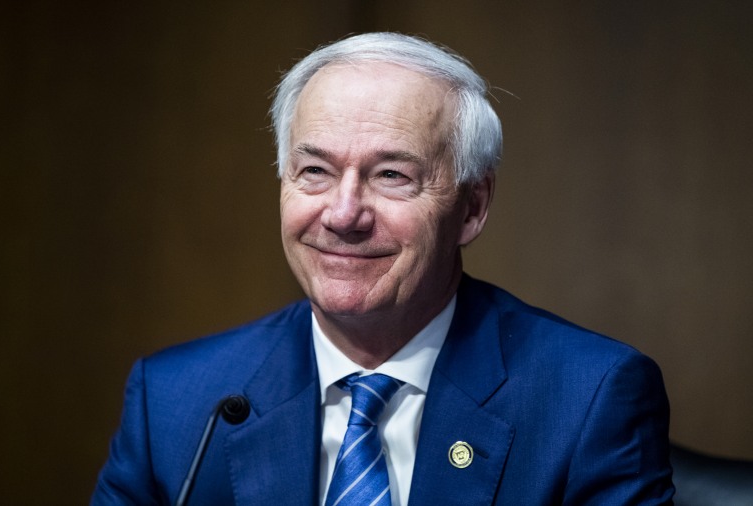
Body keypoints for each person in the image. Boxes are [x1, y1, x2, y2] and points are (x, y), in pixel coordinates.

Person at [92, 32, 674, 505]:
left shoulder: (589, 399)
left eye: (392, 175)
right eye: (314, 171)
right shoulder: (174, 404)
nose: (343, 215)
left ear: (472, 207)